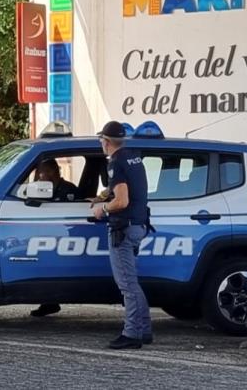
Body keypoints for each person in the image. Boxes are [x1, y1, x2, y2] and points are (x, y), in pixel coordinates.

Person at [92, 120, 153, 349]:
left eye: (101, 140)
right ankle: (144, 330)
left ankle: (132, 334)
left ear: (107, 142)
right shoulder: (133, 158)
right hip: (138, 225)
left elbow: (122, 200)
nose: (101, 143)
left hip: (123, 229)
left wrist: (102, 208)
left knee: (127, 284)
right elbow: (125, 187)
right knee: (132, 282)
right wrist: (102, 195)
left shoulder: (115, 163)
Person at [30, 159, 81, 317]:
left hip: (68, 234)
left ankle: (51, 301)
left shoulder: (69, 189)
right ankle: (49, 302)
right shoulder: (41, 189)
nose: (41, 176)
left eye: (43, 172)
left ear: (54, 171)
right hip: (49, 234)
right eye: (39, 173)